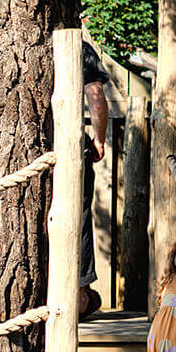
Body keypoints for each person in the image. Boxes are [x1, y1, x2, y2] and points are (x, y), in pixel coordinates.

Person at [80, 39, 109, 319]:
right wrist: (99, 141)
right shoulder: (79, 45)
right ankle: (77, 293)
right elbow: (96, 98)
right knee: (78, 218)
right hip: (69, 147)